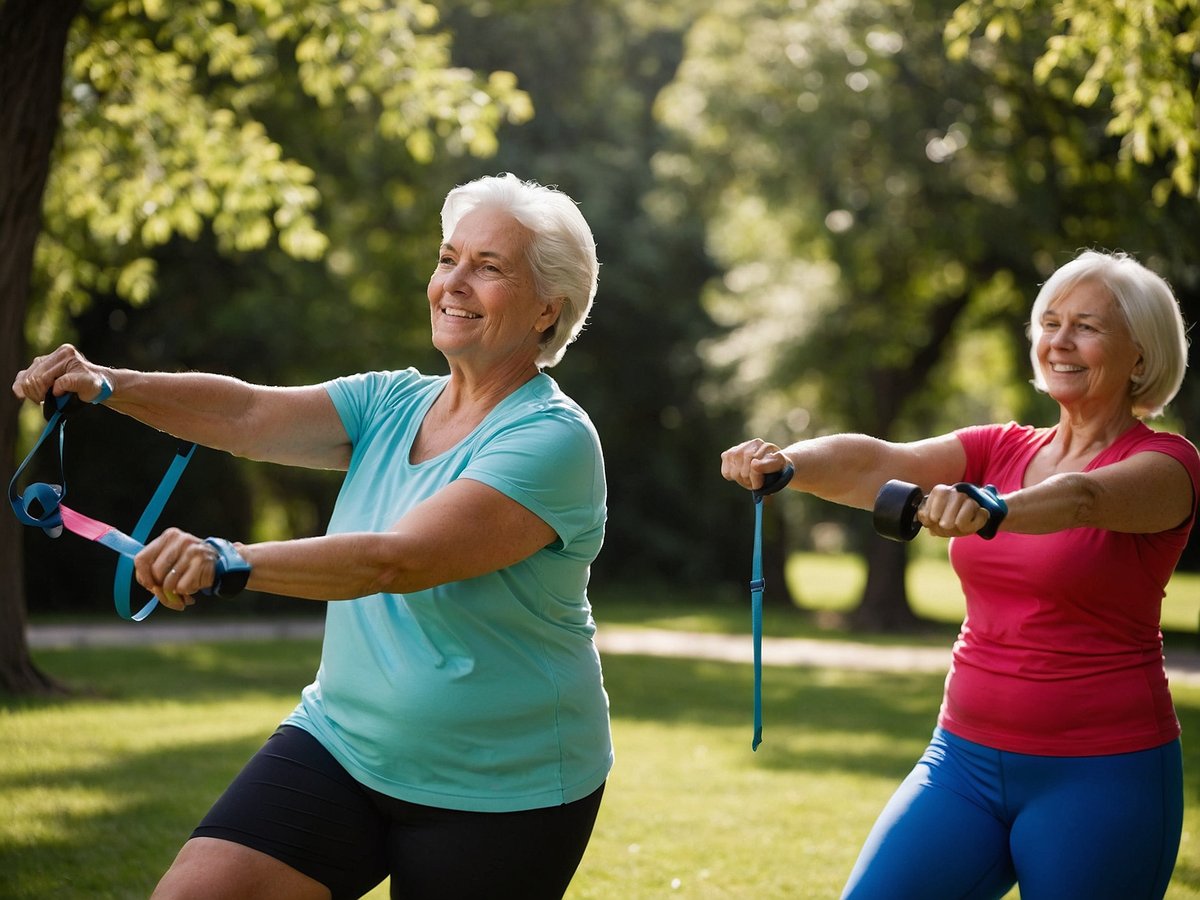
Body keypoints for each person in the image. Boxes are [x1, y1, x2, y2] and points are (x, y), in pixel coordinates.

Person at [12, 173, 612, 900]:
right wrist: (108, 382)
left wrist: (229, 561)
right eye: (448, 257)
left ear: (549, 309)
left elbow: (400, 559)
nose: (454, 283)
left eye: (489, 267)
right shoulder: (393, 400)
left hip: (502, 785)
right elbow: (246, 415)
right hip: (344, 743)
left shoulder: (552, 439)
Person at [721, 249, 1198, 899]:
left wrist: (993, 507)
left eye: (1086, 326)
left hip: (1102, 773)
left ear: (1141, 355)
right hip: (961, 764)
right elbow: (878, 463)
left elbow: (1085, 497)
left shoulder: (1168, 464)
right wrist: (788, 463)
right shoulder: (999, 448)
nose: (1059, 340)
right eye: (1049, 321)